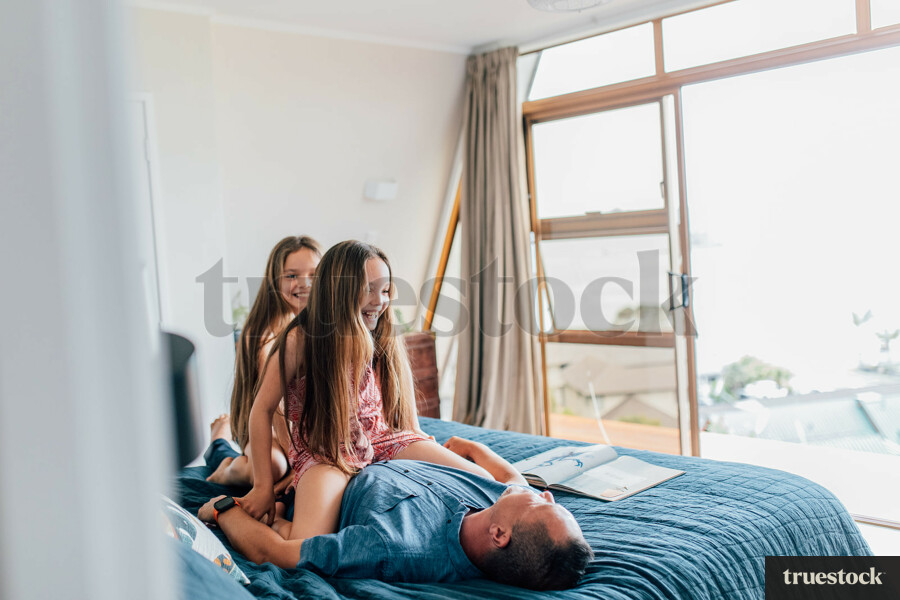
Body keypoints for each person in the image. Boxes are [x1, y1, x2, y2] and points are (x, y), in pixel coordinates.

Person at [239, 240, 493, 541]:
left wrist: (417, 438)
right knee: (306, 542)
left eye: (385, 291)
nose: (379, 301)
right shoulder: (299, 341)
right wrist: (263, 488)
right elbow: (262, 409)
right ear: (339, 289)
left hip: (380, 438)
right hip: (327, 452)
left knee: (484, 485)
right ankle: (277, 519)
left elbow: (401, 401)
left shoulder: (379, 330)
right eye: (368, 290)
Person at [199, 436, 594, 591]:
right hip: (380, 444)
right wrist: (473, 447)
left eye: (545, 505)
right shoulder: (504, 501)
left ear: (500, 536)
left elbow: (278, 554)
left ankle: (219, 446)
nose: (546, 495)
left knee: (269, 459)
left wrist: (222, 510)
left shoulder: (394, 547)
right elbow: (514, 478)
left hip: (340, 468)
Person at [207, 236, 322, 492]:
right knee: (274, 466)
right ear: (274, 280)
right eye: (291, 275)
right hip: (266, 424)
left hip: (300, 426)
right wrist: (298, 461)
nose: (305, 283)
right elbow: (275, 409)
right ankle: (224, 464)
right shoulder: (264, 335)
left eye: (313, 275)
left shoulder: (319, 326)